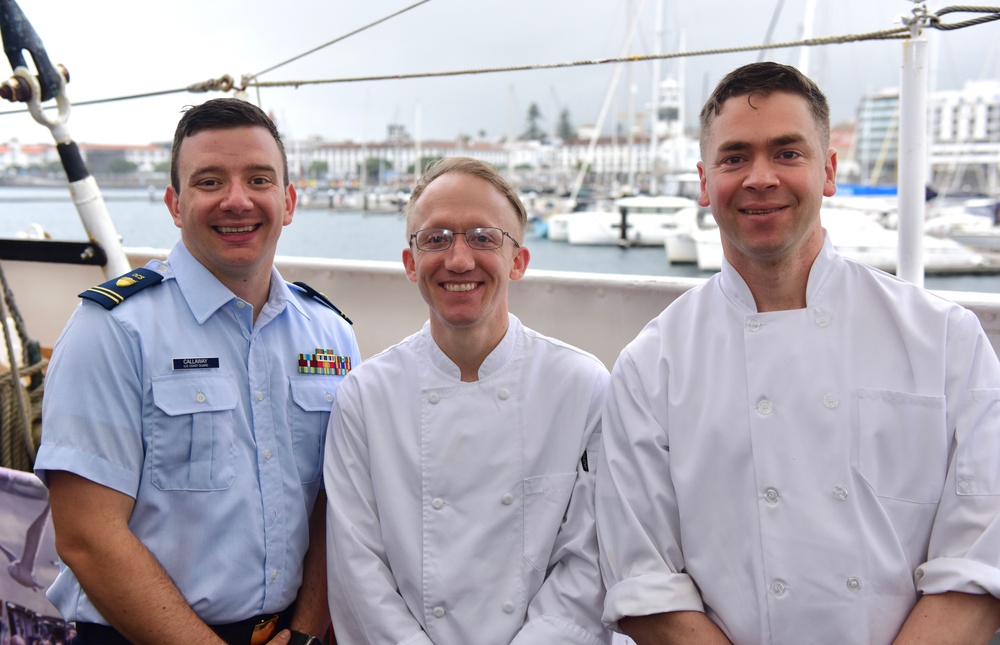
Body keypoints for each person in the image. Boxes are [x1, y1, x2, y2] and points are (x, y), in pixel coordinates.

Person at [595, 61, 1000, 644]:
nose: (761, 177)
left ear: (828, 170)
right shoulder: (650, 366)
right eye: (734, 158)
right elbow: (645, 586)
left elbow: (979, 561)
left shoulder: (946, 340)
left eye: (788, 153)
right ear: (705, 183)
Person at [34, 98, 360, 644]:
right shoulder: (113, 331)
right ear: (175, 204)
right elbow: (88, 535)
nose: (237, 201)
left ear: (288, 200)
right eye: (209, 182)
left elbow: (337, 503)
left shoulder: (331, 336)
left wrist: (304, 632)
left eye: (258, 179)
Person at [324, 157, 610, 644]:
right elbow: (358, 570)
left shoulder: (581, 386)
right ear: (410, 262)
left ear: (517, 260)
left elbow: (591, 558)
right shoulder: (366, 396)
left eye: (483, 237)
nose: (458, 260)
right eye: (436, 238)